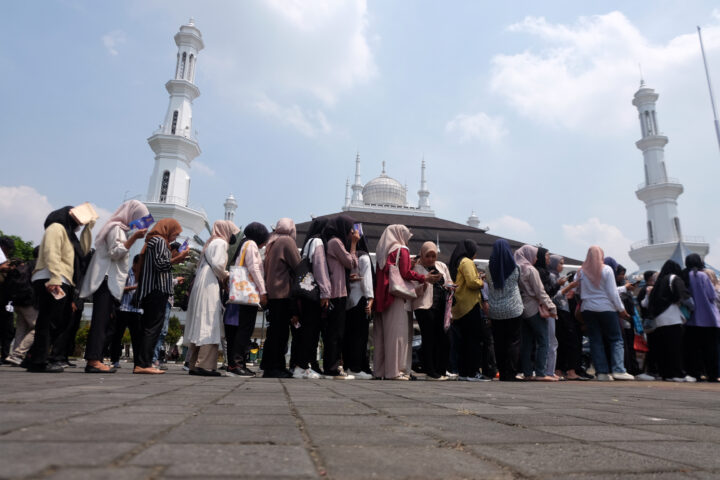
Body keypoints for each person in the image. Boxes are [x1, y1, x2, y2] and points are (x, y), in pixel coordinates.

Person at [80, 200, 149, 373]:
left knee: (105, 322)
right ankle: (93, 360)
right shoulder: (116, 228)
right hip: (105, 279)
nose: (138, 223)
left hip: (108, 279)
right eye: (138, 219)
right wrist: (134, 238)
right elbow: (116, 252)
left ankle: (96, 358)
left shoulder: (119, 229)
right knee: (100, 321)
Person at [25, 206, 94, 372]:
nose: (77, 223)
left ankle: (33, 357)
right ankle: (38, 361)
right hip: (51, 278)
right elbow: (51, 252)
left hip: (64, 280)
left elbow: (84, 251)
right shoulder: (56, 227)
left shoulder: (70, 236)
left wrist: (88, 228)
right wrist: (55, 277)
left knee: (60, 321)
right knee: (49, 320)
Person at [373, 225, 435, 380]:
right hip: (397, 297)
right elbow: (405, 273)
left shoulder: (383, 250)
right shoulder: (402, 249)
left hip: (384, 296)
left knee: (382, 336)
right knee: (398, 336)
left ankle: (380, 371)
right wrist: (424, 277)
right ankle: (395, 372)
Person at [184, 220, 239, 376]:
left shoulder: (211, 243)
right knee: (208, 320)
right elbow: (217, 265)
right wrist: (228, 275)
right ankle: (205, 365)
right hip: (209, 283)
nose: (233, 237)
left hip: (203, 281)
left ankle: (194, 364)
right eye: (232, 233)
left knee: (201, 320)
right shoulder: (221, 243)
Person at [135, 218, 188, 374]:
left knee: (149, 327)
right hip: (156, 290)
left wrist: (175, 260)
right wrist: (178, 258)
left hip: (153, 290)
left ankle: (142, 363)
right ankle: (144, 364)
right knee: (152, 328)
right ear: (168, 229)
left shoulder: (154, 241)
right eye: (175, 234)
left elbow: (160, 264)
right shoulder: (158, 241)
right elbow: (161, 265)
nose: (175, 238)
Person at [577, 246, 633, 381]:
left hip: (588, 309)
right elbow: (613, 293)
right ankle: (618, 369)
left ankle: (601, 372)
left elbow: (578, 291)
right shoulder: (607, 269)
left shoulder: (580, 272)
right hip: (606, 308)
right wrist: (621, 309)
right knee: (616, 339)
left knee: (595, 340)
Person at [225, 221, 269, 377]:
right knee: (244, 330)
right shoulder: (251, 244)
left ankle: (237, 363)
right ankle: (236, 365)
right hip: (246, 296)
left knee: (239, 330)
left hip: (239, 295)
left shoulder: (243, 243)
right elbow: (254, 268)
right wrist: (263, 291)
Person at [262, 218, 301, 378]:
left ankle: (270, 366)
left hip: (272, 293)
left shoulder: (273, 241)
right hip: (282, 292)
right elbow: (298, 264)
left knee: (274, 332)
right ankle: (275, 367)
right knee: (280, 333)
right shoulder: (286, 241)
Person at [320, 215, 359, 379]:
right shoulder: (336, 242)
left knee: (337, 332)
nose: (352, 233)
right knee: (334, 333)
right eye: (351, 229)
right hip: (336, 293)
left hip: (339, 291)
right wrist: (354, 245)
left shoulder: (336, 242)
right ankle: (331, 368)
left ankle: (333, 366)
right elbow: (351, 262)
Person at [291, 218, 329, 379]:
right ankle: (302, 367)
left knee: (305, 331)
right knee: (310, 331)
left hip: (303, 293)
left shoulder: (308, 242)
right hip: (312, 293)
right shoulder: (319, 242)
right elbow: (320, 268)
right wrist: (326, 292)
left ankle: (302, 366)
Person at [449, 239, 490, 382]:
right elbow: (472, 282)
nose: (476, 254)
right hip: (469, 305)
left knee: (464, 341)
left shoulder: (459, 261)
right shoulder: (467, 262)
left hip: (460, 306)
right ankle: (473, 372)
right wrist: (481, 281)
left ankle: (463, 372)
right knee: (473, 340)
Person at [515, 245, 558, 382]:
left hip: (522, 308)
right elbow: (540, 292)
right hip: (534, 308)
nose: (535, 258)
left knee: (526, 343)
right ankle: (540, 372)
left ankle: (528, 373)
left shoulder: (517, 269)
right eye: (534, 255)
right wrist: (551, 307)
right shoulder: (530, 270)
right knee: (543, 340)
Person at [412, 241, 452, 380]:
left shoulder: (442, 266)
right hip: (424, 307)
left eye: (433, 256)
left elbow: (449, 282)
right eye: (427, 256)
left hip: (441, 306)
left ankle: (440, 369)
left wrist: (450, 286)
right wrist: (426, 281)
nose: (430, 259)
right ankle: (430, 370)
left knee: (444, 338)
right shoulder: (417, 269)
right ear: (422, 255)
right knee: (429, 338)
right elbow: (413, 291)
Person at [486, 239, 524, 382]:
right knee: (513, 342)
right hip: (514, 308)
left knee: (499, 342)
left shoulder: (489, 268)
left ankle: (502, 372)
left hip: (495, 310)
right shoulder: (516, 268)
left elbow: (489, 283)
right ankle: (511, 373)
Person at [683, 254, 720, 382]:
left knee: (694, 350)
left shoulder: (685, 276)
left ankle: (695, 373)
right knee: (711, 349)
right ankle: (713, 374)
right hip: (709, 318)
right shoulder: (703, 276)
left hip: (692, 320)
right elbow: (711, 295)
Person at [343, 231, 374, 379]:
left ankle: (351, 365)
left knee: (350, 335)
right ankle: (356, 368)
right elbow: (367, 281)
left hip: (348, 301)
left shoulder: (348, 256)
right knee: (360, 337)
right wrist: (370, 299)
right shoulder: (364, 257)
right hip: (361, 298)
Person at [3, 247, 39, 366]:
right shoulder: (37, 265)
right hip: (29, 302)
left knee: (21, 329)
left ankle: (14, 356)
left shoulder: (25, 265)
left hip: (17, 302)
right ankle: (18, 354)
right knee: (37, 328)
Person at [107, 255, 143, 368]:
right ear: (135, 264)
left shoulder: (142, 276)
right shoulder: (126, 275)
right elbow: (119, 289)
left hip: (136, 310)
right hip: (123, 309)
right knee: (117, 336)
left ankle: (138, 362)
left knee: (137, 338)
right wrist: (133, 288)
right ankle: (115, 360)